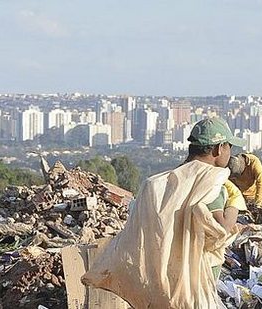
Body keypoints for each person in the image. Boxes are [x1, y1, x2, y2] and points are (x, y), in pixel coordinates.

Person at [82, 117, 246, 308]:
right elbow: (222, 228)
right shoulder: (210, 182)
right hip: (193, 288)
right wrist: (235, 201)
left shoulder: (158, 184)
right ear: (219, 149)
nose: (230, 153)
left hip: (160, 284)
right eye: (229, 147)